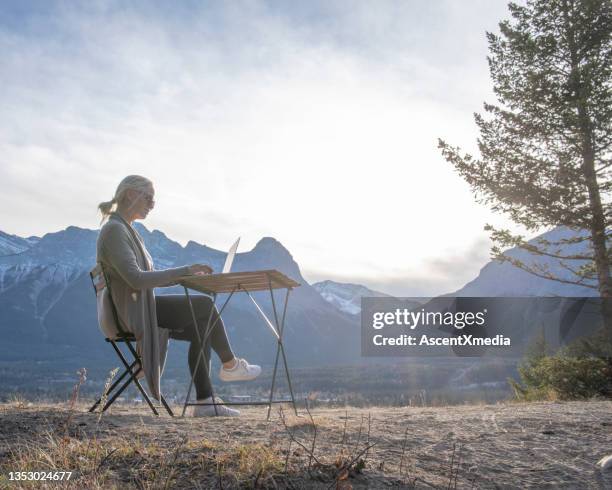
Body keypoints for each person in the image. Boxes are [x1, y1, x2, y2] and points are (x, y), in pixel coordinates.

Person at [96, 175, 260, 417]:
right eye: (148, 198)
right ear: (131, 194)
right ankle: (230, 365)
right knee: (203, 304)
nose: (152, 204)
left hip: (137, 307)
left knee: (202, 325)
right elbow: (136, 279)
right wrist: (184, 272)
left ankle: (205, 403)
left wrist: (186, 275)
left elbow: (137, 280)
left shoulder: (126, 230)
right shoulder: (114, 230)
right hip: (130, 313)